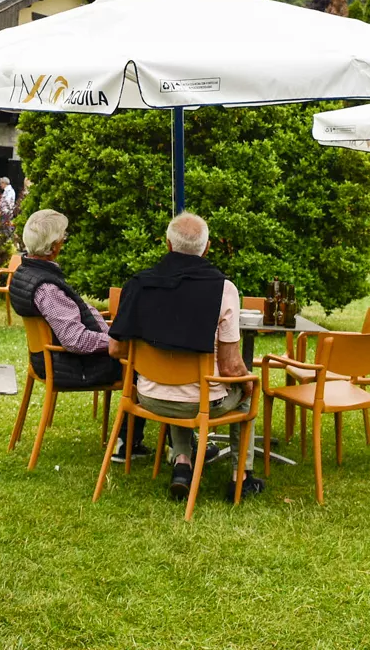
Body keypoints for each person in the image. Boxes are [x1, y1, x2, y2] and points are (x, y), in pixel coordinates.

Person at [109, 212, 262, 504]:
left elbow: (116, 349)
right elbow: (230, 367)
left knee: (184, 384)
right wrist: (249, 382)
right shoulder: (223, 289)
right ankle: (240, 478)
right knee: (244, 390)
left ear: (168, 244)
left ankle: (182, 462)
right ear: (206, 249)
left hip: (148, 397)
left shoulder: (139, 284)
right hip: (203, 403)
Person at [10, 209, 147, 459]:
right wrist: (114, 342)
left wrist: (104, 327)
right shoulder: (47, 287)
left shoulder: (26, 272)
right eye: (63, 237)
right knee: (146, 365)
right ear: (53, 247)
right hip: (72, 365)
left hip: (47, 360)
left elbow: (74, 317)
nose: (65, 241)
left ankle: (141, 442)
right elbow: (75, 339)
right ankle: (130, 444)